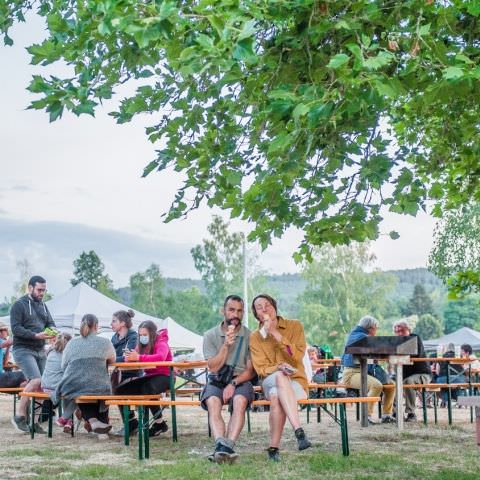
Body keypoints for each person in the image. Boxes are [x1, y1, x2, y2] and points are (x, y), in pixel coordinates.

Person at [249, 294, 312, 462]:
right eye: (259, 307)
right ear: (256, 314)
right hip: (270, 380)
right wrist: (278, 367)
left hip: (296, 381)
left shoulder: (295, 326)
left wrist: (275, 333)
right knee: (279, 377)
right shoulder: (255, 337)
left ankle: (273, 448)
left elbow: (297, 356)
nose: (264, 309)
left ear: (275, 307)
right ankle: (298, 430)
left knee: (277, 395)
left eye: (268, 305)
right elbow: (261, 370)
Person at [201, 295, 255, 464]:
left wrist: (233, 383)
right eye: (231, 310)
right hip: (217, 378)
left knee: (239, 400)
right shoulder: (210, 335)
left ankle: (227, 446)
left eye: (239, 311)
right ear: (223, 311)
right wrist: (225, 346)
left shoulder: (250, 336)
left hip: (240, 379)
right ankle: (220, 445)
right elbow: (213, 367)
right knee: (212, 402)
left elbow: (251, 371)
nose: (235, 315)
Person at [10, 276, 57, 433]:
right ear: (30, 288)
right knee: (36, 379)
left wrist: (53, 331)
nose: (42, 293)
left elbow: (50, 323)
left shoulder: (43, 306)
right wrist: (35, 335)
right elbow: (15, 329)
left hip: (40, 350)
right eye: (39, 290)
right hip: (22, 349)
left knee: (43, 385)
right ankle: (19, 415)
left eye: (44, 290)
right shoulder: (19, 305)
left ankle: (34, 423)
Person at [56, 314, 116, 436]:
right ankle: (100, 424)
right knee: (100, 388)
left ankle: (93, 421)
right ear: (96, 326)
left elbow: (63, 366)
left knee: (81, 388)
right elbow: (112, 362)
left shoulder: (72, 343)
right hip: (99, 386)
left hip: (74, 385)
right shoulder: (105, 342)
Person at [116, 320, 172, 437]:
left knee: (147, 388)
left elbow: (160, 357)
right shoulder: (140, 345)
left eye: (145, 335)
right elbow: (134, 355)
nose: (142, 337)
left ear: (152, 334)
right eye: (140, 335)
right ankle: (131, 422)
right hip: (149, 377)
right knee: (120, 390)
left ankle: (159, 423)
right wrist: (128, 357)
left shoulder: (162, 342)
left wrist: (139, 357)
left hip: (165, 376)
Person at [341, 316, 395, 424]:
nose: (377, 330)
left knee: (391, 385)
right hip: (352, 374)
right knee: (377, 385)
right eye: (376, 328)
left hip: (365, 371)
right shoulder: (360, 336)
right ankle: (367, 416)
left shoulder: (361, 336)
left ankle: (386, 415)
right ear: (371, 328)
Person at [393, 320, 431, 422]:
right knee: (392, 383)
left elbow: (414, 354)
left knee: (408, 382)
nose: (399, 334)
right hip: (404, 376)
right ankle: (394, 412)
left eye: (402, 331)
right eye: (397, 332)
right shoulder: (396, 342)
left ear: (409, 330)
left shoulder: (415, 338)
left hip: (423, 374)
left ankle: (411, 413)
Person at [40, 332, 75, 433]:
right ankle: (65, 418)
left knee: (68, 391)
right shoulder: (67, 355)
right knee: (77, 394)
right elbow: (70, 374)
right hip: (56, 388)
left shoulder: (50, 352)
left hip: (45, 385)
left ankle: (69, 421)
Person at [0, 322, 26, 388]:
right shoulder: (2, 342)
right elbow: (10, 341)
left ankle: (24, 397)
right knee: (26, 375)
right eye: (5, 330)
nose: (7, 332)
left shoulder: (3, 344)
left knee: (25, 383)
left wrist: (8, 347)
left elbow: (5, 363)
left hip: (2, 376)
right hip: (1, 377)